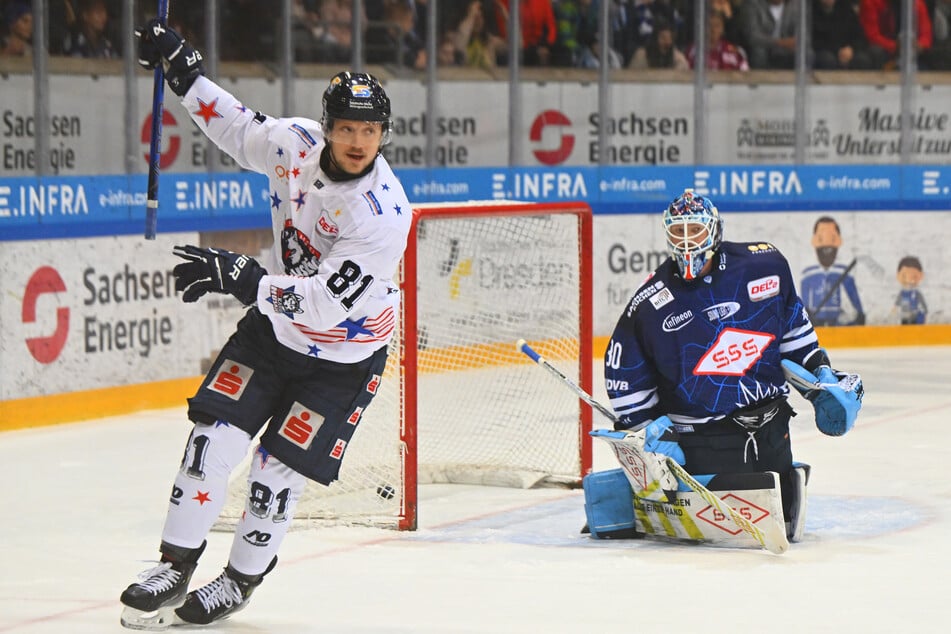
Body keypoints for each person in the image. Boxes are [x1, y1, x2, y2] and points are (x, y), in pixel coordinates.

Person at [118, 19, 412, 630]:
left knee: (274, 477)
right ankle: (174, 566)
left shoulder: (384, 214)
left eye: (370, 130)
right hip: (272, 334)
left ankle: (239, 582)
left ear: (383, 134)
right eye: (347, 128)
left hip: (342, 361)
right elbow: (232, 125)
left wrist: (244, 278)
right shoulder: (293, 146)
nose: (358, 141)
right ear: (326, 127)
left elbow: (327, 305)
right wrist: (183, 71)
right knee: (210, 443)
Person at [601, 190, 863, 541]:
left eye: (695, 230)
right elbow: (622, 374)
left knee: (784, 521)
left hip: (772, 426)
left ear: (715, 230)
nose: (687, 241)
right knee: (729, 539)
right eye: (679, 232)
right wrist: (648, 429)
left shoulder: (764, 265)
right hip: (703, 440)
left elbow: (793, 327)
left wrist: (822, 376)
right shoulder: (649, 304)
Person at [800, 216, 865, 326]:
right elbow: (805, 298)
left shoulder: (843, 273)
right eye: (821, 238)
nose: (826, 244)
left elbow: (853, 296)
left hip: (836, 320)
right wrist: (807, 313)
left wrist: (859, 314)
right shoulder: (808, 274)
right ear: (814, 241)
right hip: (817, 322)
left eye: (832, 239)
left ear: (839, 241)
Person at [812, 0, 875, 70]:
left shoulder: (846, 8)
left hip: (848, 50)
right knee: (827, 60)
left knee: (862, 60)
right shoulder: (810, 10)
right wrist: (838, 51)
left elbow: (860, 36)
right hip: (823, 50)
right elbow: (812, 40)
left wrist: (851, 49)